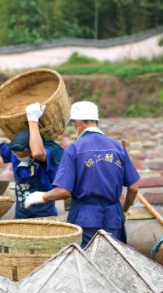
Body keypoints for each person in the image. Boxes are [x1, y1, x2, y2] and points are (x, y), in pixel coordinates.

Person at [23, 101, 140, 248]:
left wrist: (41, 196)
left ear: (77, 122)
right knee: (113, 262)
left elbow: (64, 191)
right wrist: (124, 210)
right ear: (96, 121)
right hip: (113, 217)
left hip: (85, 219)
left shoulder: (74, 149)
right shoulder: (117, 147)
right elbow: (134, 188)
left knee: (86, 264)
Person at [0, 101, 64, 219]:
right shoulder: (14, 151)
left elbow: (38, 153)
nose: (19, 156)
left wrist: (33, 119)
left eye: (23, 154)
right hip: (21, 215)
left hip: (45, 216)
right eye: (17, 153)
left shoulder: (51, 150)